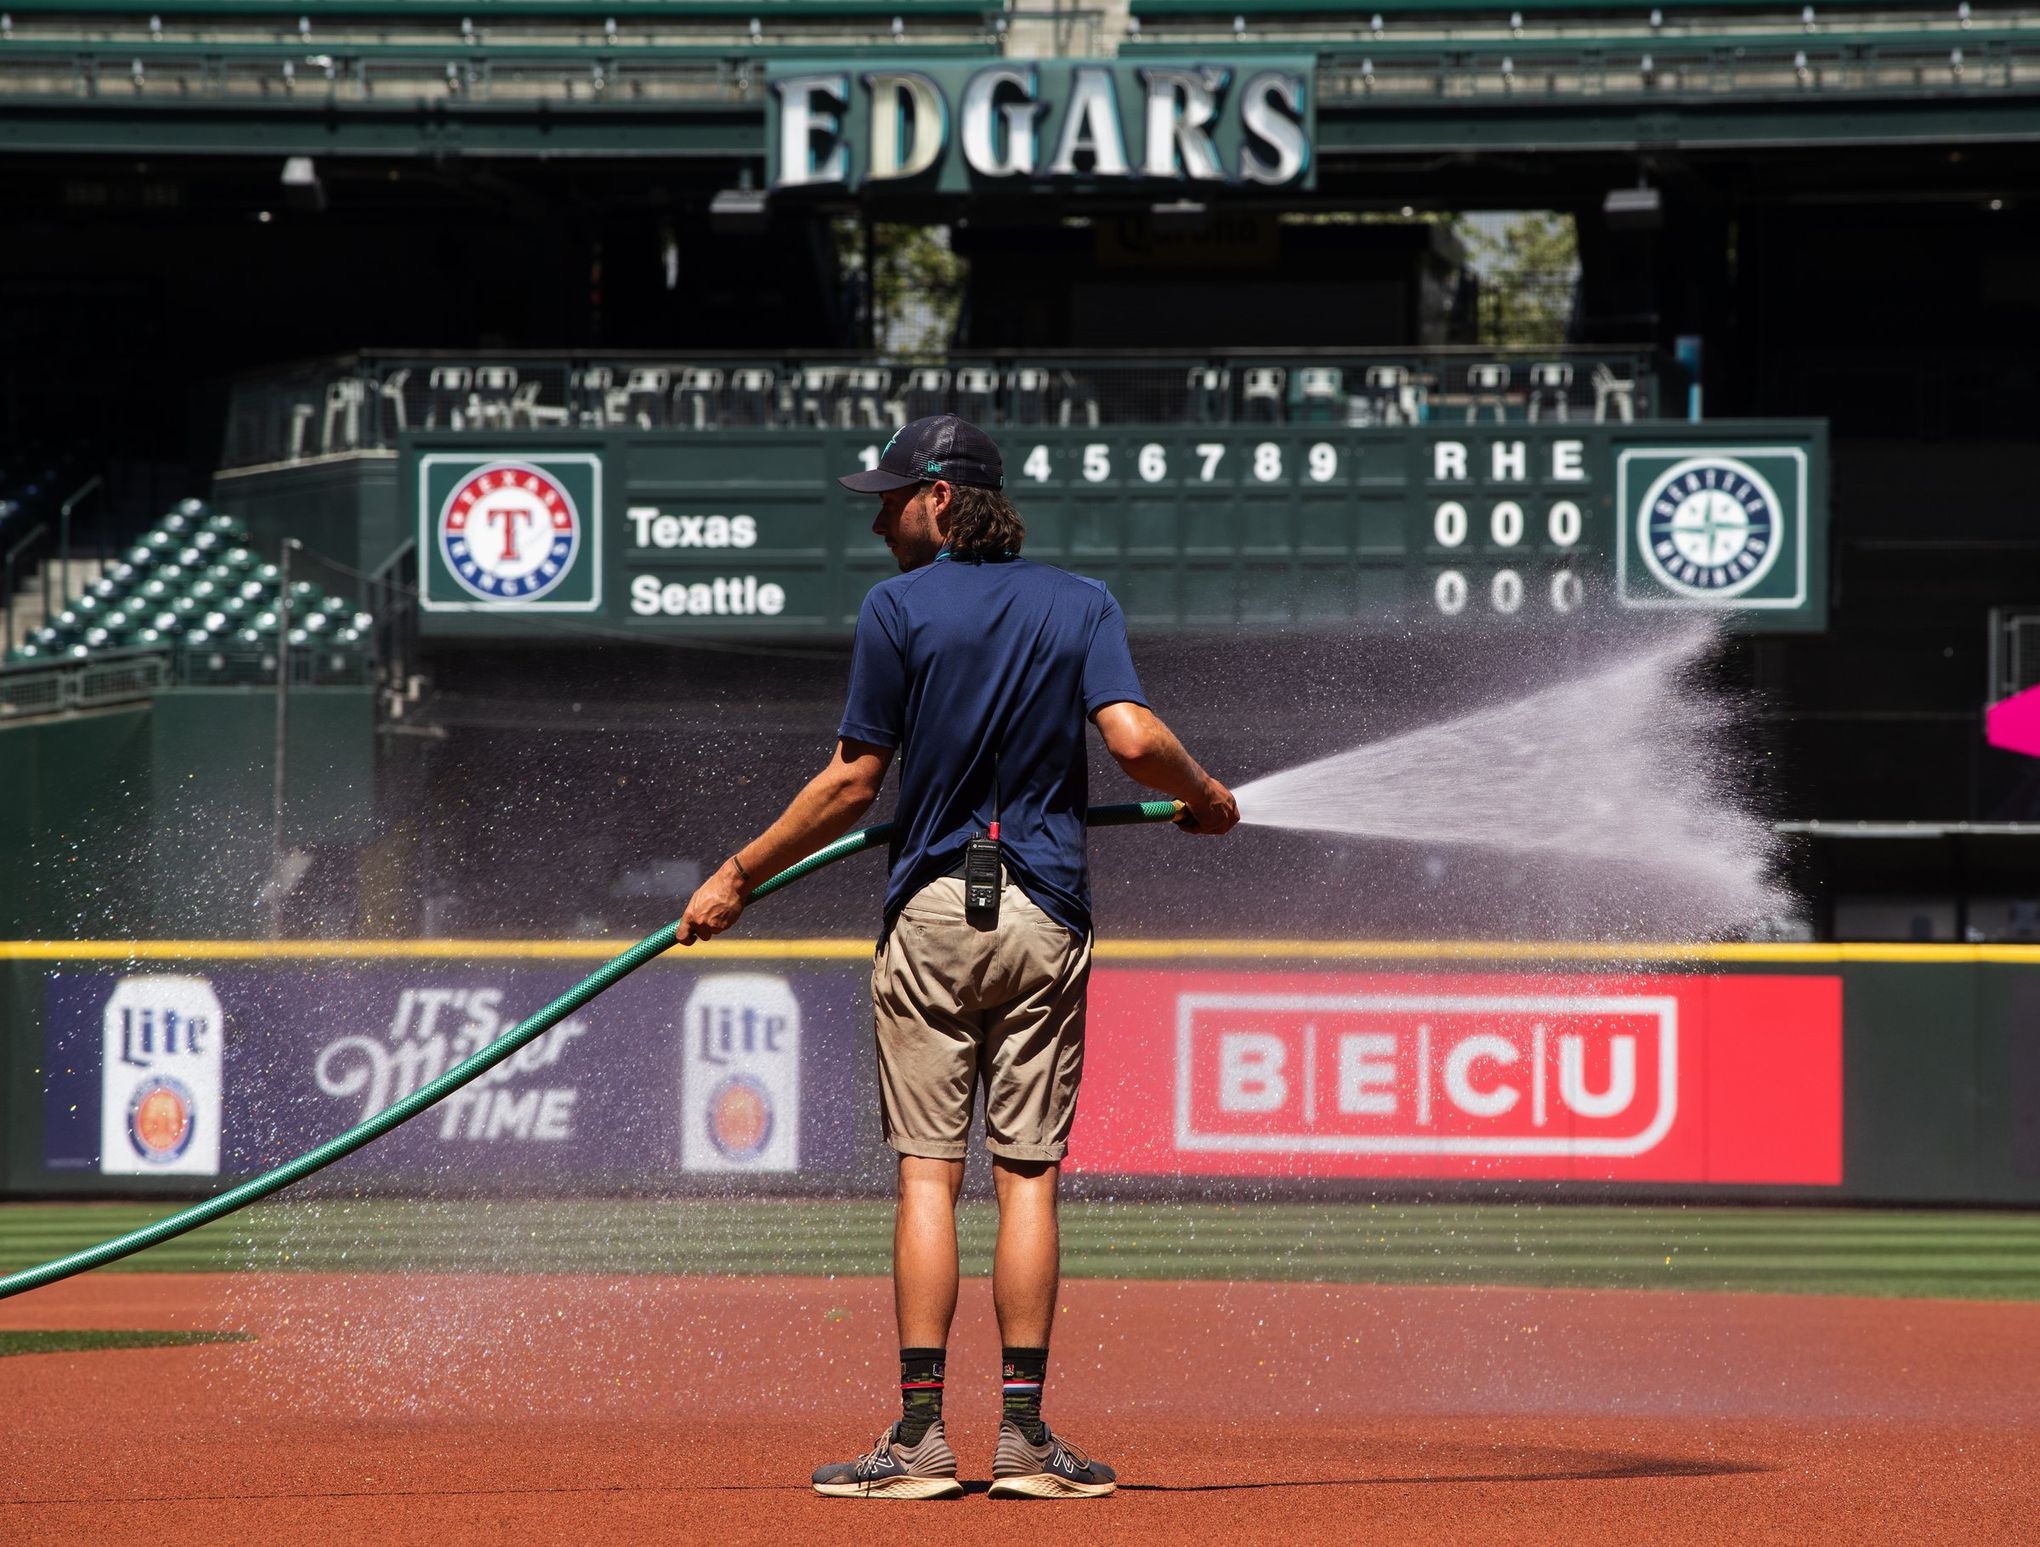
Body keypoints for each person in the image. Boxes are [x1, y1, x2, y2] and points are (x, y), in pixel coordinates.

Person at [679, 414, 1238, 1500]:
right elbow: (1130, 739)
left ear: (942, 498)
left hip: (934, 910)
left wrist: (738, 873)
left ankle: (922, 1438)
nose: (879, 515)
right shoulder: (1081, 600)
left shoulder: (897, 607)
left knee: (929, 1174)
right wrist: (1207, 797)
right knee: (1028, 1175)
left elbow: (853, 784)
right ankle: (1025, 1440)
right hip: (1045, 912)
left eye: (892, 496)